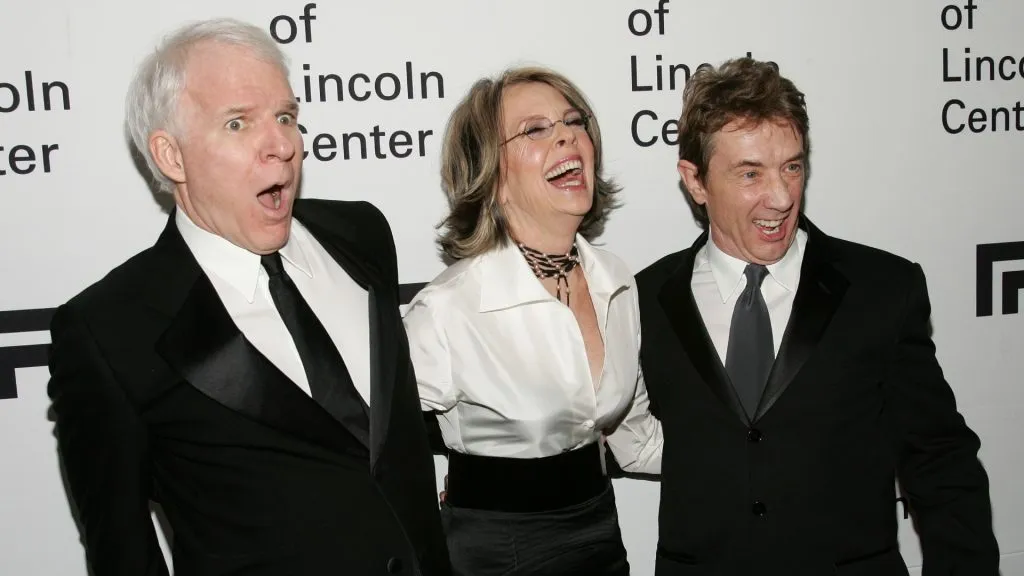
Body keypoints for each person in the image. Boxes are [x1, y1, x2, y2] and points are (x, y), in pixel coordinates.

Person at [46, 18, 449, 576]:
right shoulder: (110, 330)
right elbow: (122, 552)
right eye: (238, 123)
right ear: (171, 157)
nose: (282, 145)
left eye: (286, 117)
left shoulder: (362, 236)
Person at [634, 56, 999, 575]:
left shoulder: (882, 290)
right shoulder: (643, 300)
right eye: (750, 173)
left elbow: (939, 461)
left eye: (793, 166)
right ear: (694, 180)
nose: (781, 197)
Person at [403, 66, 663, 576]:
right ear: (492, 176)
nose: (567, 135)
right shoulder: (451, 309)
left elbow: (633, 440)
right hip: (496, 552)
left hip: (601, 537)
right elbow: (362, 439)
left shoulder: (616, 280)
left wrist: (746, 463)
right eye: (535, 129)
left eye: (573, 121)